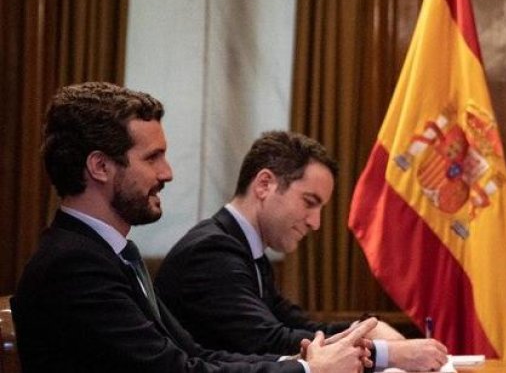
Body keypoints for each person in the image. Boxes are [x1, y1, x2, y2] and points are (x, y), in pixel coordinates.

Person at [12, 81, 376, 373]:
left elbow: (194, 354)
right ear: (100, 167)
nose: (167, 173)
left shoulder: (114, 253)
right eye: (152, 157)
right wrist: (310, 371)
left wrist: (302, 364)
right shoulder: (74, 265)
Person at [156, 130, 449, 371]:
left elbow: (297, 323)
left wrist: (366, 328)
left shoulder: (246, 248)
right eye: (309, 202)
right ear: (265, 184)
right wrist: (383, 352)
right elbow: (268, 341)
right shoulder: (212, 251)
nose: (316, 223)